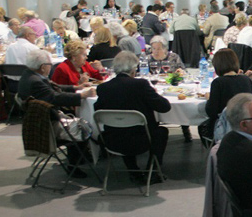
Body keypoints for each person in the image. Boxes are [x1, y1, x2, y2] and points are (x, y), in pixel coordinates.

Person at [17, 49, 96, 176]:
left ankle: (81, 157)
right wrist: (82, 96)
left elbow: (53, 87)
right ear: (43, 67)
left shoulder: (29, 75)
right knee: (83, 127)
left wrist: (76, 87)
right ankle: (74, 164)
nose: (50, 67)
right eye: (49, 65)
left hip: (38, 119)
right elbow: (55, 97)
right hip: (46, 124)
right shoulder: (36, 82)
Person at [94, 51, 171, 182]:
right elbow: (164, 107)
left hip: (112, 140)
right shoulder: (140, 85)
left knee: (122, 127)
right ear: (133, 69)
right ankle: (151, 172)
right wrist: (152, 94)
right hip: (141, 140)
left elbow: (97, 110)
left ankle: (133, 170)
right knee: (161, 132)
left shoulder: (103, 88)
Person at [202, 48, 252, 135]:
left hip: (225, 127)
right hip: (247, 125)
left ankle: (216, 148)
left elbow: (211, 112)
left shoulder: (218, 82)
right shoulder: (246, 79)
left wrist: (209, 99)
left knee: (202, 127)